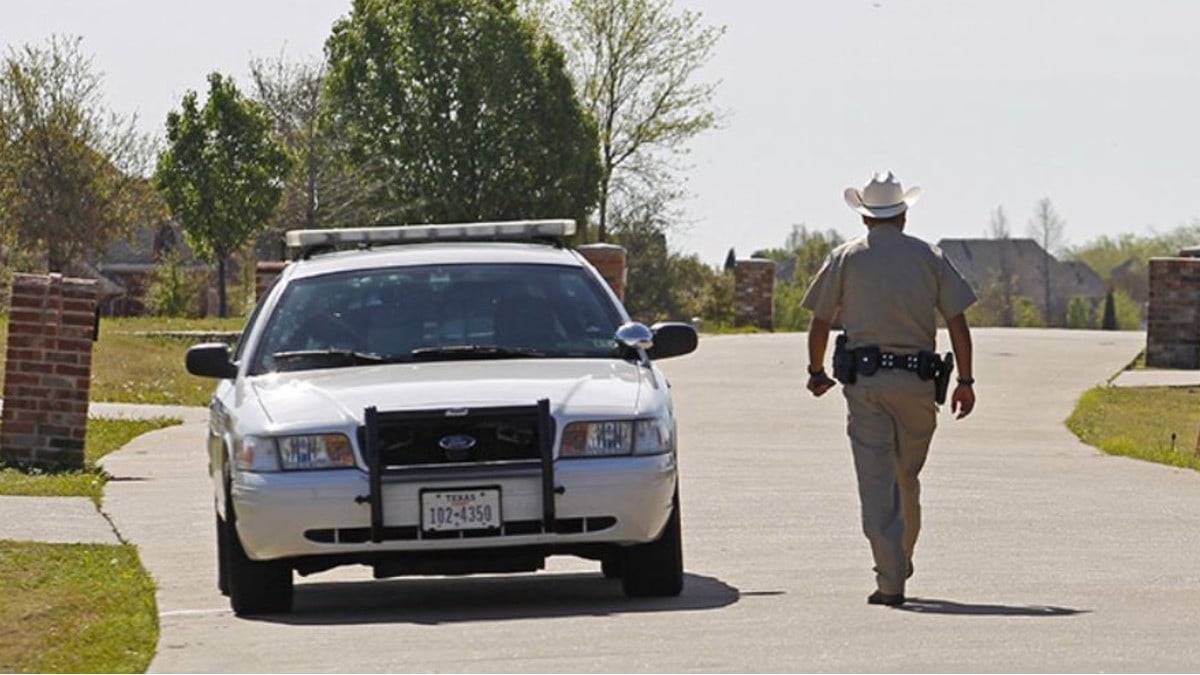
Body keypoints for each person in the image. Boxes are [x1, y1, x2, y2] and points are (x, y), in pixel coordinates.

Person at [802, 171, 977, 607]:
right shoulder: (930, 257)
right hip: (919, 387)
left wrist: (816, 370)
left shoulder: (845, 258)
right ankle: (900, 559)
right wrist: (966, 382)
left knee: (877, 483)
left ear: (864, 219)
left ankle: (890, 579)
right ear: (902, 216)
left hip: (868, 388)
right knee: (906, 478)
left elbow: (820, 320)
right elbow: (958, 322)